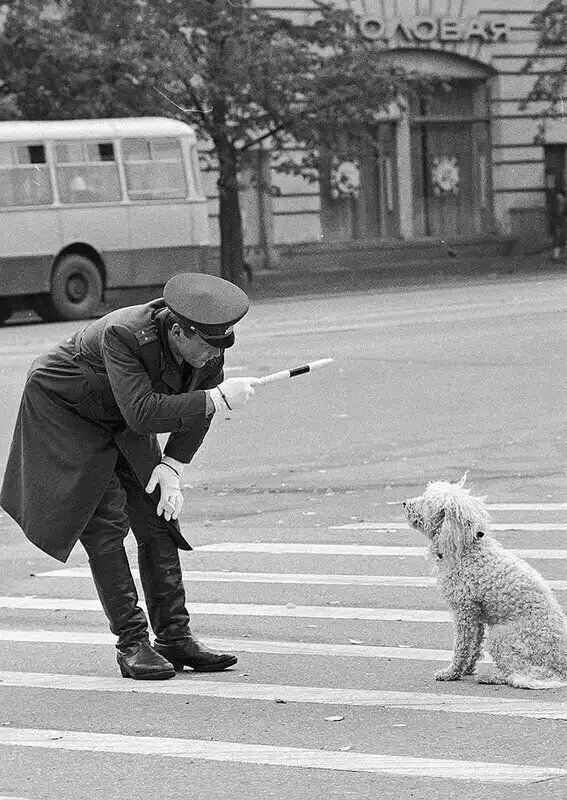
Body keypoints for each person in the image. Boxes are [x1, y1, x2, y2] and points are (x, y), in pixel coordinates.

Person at [0, 272, 260, 680]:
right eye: (209, 347)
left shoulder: (209, 345)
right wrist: (215, 398)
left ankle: (174, 636)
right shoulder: (124, 333)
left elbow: (198, 409)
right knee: (105, 526)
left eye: (221, 345)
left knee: (158, 517)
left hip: (122, 412)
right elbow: (144, 412)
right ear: (178, 332)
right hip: (68, 412)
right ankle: (132, 643)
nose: (215, 356)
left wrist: (172, 465)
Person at [551, 187, 566, 261]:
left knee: (558, 238)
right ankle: (556, 255)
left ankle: (556, 255)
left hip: (556, 220)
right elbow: (562, 210)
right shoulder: (562, 199)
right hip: (561, 219)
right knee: (561, 238)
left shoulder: (555, 199)